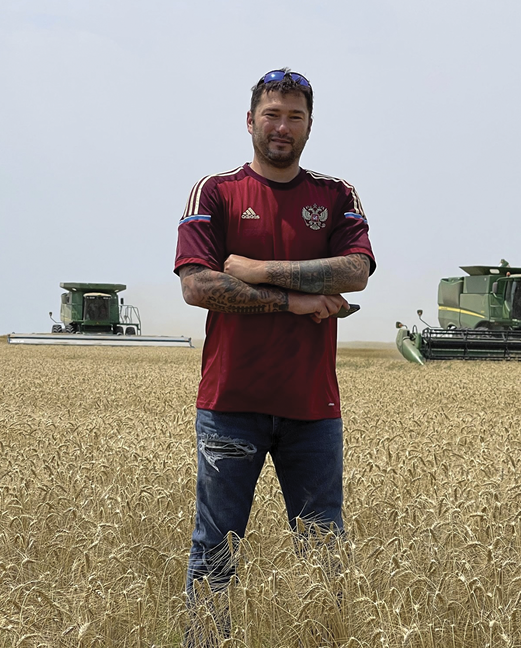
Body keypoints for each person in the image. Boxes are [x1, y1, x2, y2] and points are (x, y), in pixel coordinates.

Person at [174, 68, 375, 643]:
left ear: (310, 125)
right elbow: (198, 287)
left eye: (294, 115)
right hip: (230, 403)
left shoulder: (336, 196)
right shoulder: (214, 192)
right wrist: (296, 300)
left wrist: (257, 270)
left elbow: (355, 271)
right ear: (250, 121)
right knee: (213, 553)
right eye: (271, 114)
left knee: (323, 553)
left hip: (312, 408)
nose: (281, 126)